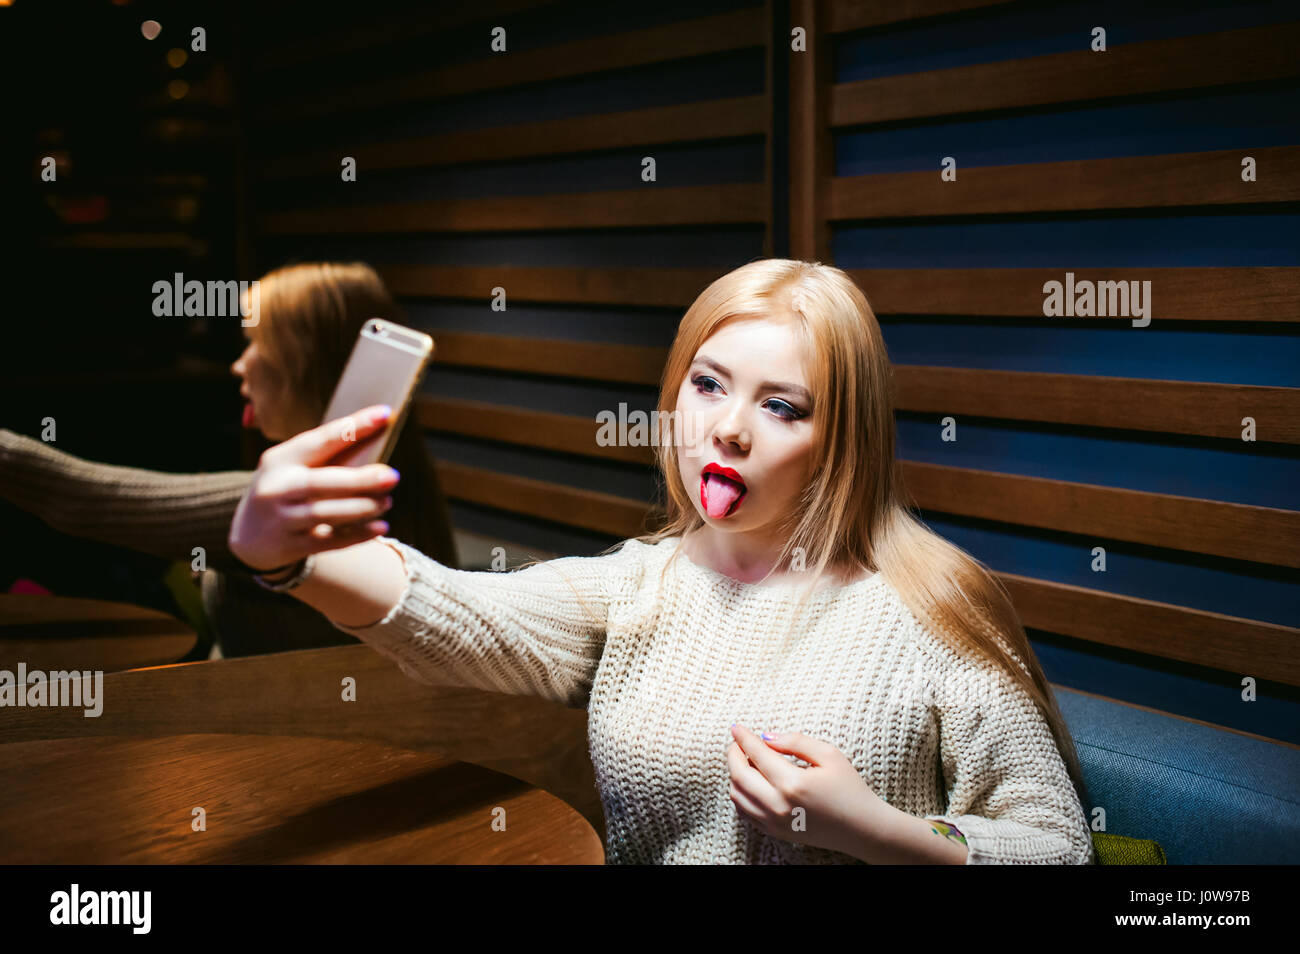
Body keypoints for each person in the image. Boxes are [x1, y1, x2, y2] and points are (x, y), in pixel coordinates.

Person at [228, 259, 1095, 864]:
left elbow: (1057, 847)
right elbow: (454, 612)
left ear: (845, 440)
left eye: (783, 406)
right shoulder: (641, 585)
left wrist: (874, 833)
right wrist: (286, 555)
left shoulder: (931, 603)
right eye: (708, 384)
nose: (728, 428)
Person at [0, 261, 458, 658]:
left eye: (255, 342)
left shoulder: (301, 508)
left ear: (303, 364)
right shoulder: (401, 482)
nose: (240, 365)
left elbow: (78, 497)